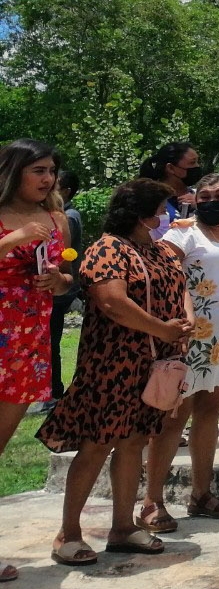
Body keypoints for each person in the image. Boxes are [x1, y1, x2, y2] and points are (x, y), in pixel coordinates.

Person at [38, 179, 191, 566]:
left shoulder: (157, 250)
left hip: (151, 364)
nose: (165, 218)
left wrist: (185, 324)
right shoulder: (107, 250)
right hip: (112, 364)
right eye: (160, 211)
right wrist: (164, 330)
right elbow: (112, 302)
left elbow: (180, 284)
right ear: (141, 215)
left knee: (134, 441)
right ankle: (68, 533)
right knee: (96, 444)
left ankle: (122, 526)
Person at [141, 173, 219, 532]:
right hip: (190, 335)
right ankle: (152, 501)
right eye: (204, 195)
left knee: (210, 414)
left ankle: (201, 493)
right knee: (174, 419)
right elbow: (165, 275)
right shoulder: (182, 233)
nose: (212, 201)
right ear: (195, 198)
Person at [0, 141, 74, 579]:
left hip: (28, 342)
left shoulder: (55, 219)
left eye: (51, 171)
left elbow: (67, 279)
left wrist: (59, 281)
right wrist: (15, 239)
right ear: (13, 171)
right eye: (38, 170)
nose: (47, 179)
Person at [47, 170, 85, 411]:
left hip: (61, 291)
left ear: (66, 191)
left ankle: (53, 392)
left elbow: (64, 259)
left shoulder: (66, 217)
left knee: (51, 342)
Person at [139, 141, 202, 234]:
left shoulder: (200, 197)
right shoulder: (149, 199)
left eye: (197, 162)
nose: (197, 166)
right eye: (192, 163)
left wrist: (201, 205)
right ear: (171, 168)